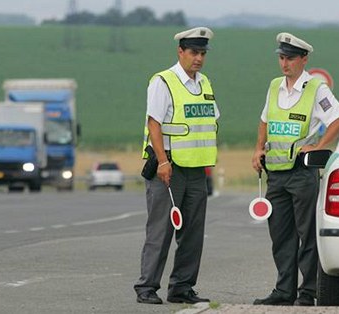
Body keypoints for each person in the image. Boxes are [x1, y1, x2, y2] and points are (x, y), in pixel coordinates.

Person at [251, 32, 339, 306]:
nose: (285, 63)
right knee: (280, 236)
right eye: (282, 58)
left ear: (304, 59)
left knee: (307, 235)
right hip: (276, 174)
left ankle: (308, 292)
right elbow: (264, 120)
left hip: (301, 174)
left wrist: (319, 146)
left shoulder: (317, 89)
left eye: (290, 58)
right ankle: (283, 292)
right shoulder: (274, 86)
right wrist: (258, 148)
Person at [134, 27, 219, 305]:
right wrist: (161, 161)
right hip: (168, 167)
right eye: (194, 52)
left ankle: (182, 287)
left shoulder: (204, 83)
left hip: (196, 170)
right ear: (180, 52)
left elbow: (208, 123)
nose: (198, 58)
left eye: (203, 53)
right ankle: (147, 286)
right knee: (161, 229)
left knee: (193, 233)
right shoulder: (164, 81)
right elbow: (154, 123)